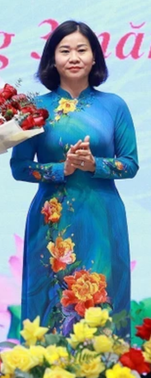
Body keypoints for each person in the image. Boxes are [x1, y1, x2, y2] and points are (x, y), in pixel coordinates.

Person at [11, 20, 138, 338]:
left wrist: (96, 164)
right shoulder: (36, 108)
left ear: (95, 57)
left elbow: (131, 163)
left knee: (102, 300)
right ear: (52, 59)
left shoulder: (114, 106)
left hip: (102, 216)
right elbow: (20, 167)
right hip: (52, 218)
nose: (74, 57)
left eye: (82, 49)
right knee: (53, 302)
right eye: (64, 50)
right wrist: (59, 170)